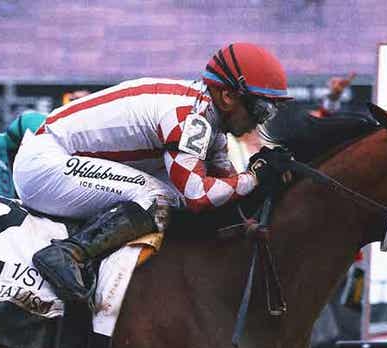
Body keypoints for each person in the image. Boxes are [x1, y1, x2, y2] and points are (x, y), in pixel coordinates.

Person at [15, 42, 298, 306]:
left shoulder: (209, 122)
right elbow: (199, 195)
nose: (261, 120)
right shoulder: (192, 118)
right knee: (157, 196)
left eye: (270, 112)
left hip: (61, 159)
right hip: (45, 164)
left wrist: (261, 178)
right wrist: (256, 176)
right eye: (261, 109)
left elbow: (227, 190)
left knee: (173, 196)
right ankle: (68, 253)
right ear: (227, 96)